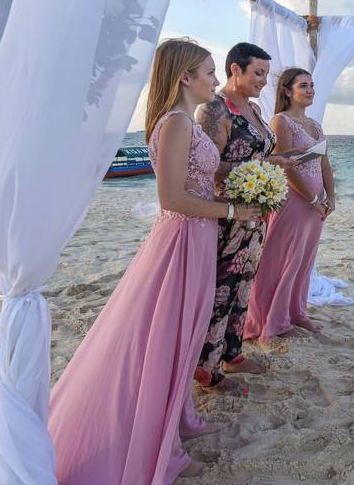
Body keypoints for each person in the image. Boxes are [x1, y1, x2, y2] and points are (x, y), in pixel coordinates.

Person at [48, 38, 261, 483]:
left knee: (183, 336)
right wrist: (232, 210)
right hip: (182, 240)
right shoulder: (177, 123)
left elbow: (196, 183)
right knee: (165, 338)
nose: (216, 80)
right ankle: (153, 441)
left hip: (199, 239)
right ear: (185, 76)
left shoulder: (184, 121)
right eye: (208, 72)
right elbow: (172, 198)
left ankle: (176, 420)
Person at [194, 42, 295, 392]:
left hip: (254, 214)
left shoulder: (252, 109)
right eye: (258, 73)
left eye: (266, 74)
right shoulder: (214, 110)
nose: (264, 81)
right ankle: (208, 369)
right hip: (226, 216)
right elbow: (208, 165)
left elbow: (262, 153)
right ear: (235, 69)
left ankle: (232, 354)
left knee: (244, 286)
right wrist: (262, 167)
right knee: (221, 289)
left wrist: (275, 169)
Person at [244, 67, 335, 340]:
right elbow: (286, 168)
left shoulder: (315, 125)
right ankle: (276, 320)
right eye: (303, 85)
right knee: (286, 259)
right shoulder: (280, 121)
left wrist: (331, 197)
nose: (310, 90)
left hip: (317, 203)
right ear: (287, 90)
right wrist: (314, 199)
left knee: (305, 260)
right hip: (295, 201)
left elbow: (324, 162)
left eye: (311, 85)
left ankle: (297, 312)